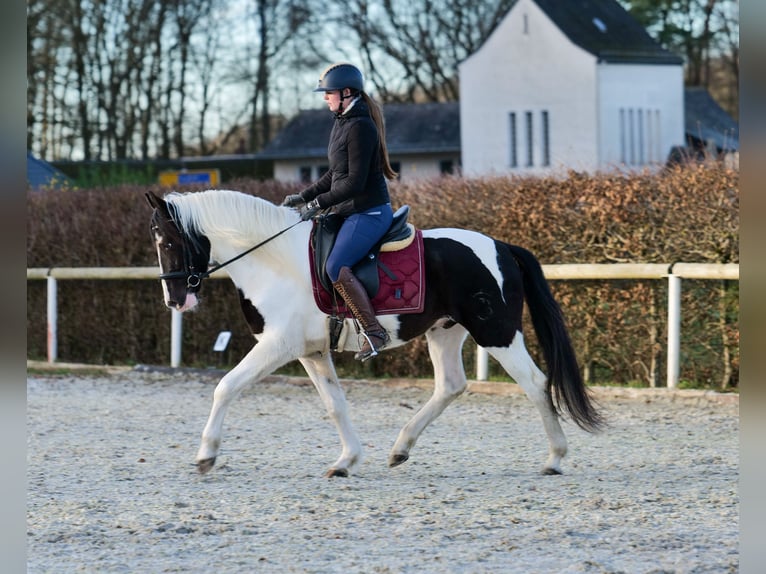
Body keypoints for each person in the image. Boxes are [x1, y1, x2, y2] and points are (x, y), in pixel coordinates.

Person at [282, 62, 398, 362]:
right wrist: (304, 196)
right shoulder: (342, 122)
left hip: (369, 212)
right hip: (350, 210)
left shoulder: (361, 127)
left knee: (336, 266)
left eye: (329, 93)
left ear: (347, 93)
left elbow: (355, 183)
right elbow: (334, 175)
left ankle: (374, 332)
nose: (325, 98)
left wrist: (317, 205)